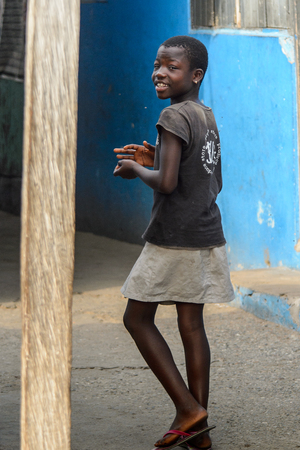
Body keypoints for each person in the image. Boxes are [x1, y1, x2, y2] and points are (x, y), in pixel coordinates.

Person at [113, 35, 235, 450]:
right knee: (191, 325)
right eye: (157, 65)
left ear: (195, 75)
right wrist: (158, 159)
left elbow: (166, 184)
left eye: (172, 67)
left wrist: (135, 169)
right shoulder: (205, 115)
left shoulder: (172, 116)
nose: (159, 73)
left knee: (136, 319)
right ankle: (198, 433)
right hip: (205, 233)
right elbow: (205, 177)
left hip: (174, 237)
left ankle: (187, 409)